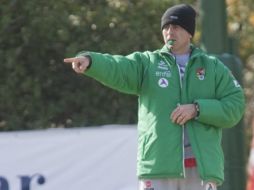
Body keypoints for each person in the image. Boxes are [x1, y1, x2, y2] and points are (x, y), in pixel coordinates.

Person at [64, 4, 245, 190]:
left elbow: (235, 105)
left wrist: (197, 109)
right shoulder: (148, 63)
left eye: (175, 27)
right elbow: (118, 67)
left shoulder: (213, 67)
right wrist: (91, 60)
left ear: (189, 32)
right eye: (165, 28)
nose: (169, 32)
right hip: (158, 166)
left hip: (202, 169)